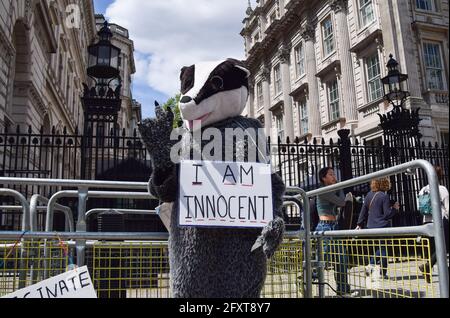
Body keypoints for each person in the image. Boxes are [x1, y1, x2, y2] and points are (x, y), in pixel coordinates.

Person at [315, 167, 354, 297]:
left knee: (341, 259)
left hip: (334, 226)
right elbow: (342, 202)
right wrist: (341, 186)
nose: (334, 176)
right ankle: (305, 282)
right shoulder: (323, 190)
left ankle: (343, 290)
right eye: (331, 174)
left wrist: (339, 187)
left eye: (334, 174)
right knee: (320, 260)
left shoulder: (331, 189)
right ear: (323, 178)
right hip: (324, 227)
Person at [356, 178, 400, 279]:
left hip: (371, 226)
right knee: (383, 249)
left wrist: (359, 224)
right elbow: (387, 215)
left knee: (381, 249)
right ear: (384, 183)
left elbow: (363, 211)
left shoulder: (369, 195)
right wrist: (395, 209)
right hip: (382, 226)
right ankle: (372, 266)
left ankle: (382, 273)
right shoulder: (384, 196)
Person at [418, 166, 449, 284]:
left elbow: (419, 207)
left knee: (432, 249)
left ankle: (429, 270)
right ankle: (428, 266)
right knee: (443, 247)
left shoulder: (423, 190)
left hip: (426, 221)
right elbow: (447, 207)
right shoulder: (441, 189)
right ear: (440, 176)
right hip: (439, 221)